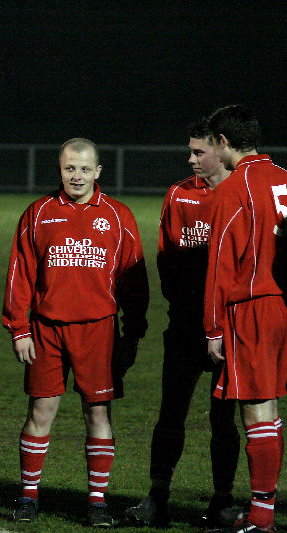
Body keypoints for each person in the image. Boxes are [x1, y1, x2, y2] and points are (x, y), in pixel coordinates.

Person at [1, 138, 148, 527]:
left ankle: (97, 501)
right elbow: (21, 275)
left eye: (84, 169)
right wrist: (19, 329)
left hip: (99, 331)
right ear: (59, 169)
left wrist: (131, 334)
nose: (76, 176)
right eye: (69, 168)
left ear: (99, 171)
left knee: (97, 413)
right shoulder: (38, 213)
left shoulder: (118, 216)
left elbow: (134, 281)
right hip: (45, 330)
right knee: (40, 411)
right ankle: (28, 495)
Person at [125, 119, 240, 528]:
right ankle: (158, 497)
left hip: (231, 329)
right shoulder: (178, 195)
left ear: (220, 149)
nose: (190, 159)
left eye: (198, 151)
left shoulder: (240, 193)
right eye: (189, 151)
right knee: (170, 412)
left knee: (224, 418)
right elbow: (166, 256)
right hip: (186, 326)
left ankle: (222, 501)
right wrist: (184, 306)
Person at [202, 105, 286, 533]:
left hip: (252, 308)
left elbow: (220, 264)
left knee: (257, 409)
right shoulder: (284, 178)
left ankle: (261, 518)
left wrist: (213, 328)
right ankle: (263, 512)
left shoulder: (234, 189)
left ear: (222, 142)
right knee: (270, 408)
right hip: (284, 306)